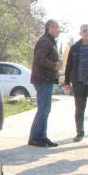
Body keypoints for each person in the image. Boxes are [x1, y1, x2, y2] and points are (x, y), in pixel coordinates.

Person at [28, 19, 63, 147]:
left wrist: (57, 64)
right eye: (56, 27)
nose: (58, 30)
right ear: (49, 28)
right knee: (43, 110)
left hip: (48, 79)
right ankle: (35, 137)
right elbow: (39, 58)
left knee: (46, 110)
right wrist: (54, 65)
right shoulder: (45, 41)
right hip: (42, 80)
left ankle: (42, 136)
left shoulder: (51, 42)